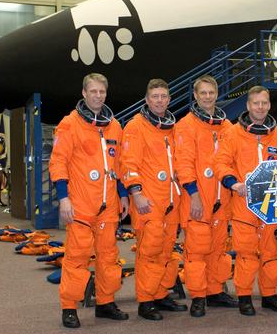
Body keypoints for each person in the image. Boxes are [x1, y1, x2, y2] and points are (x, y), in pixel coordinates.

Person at [49, 73, 130, 329]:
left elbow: (119, 165)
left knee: (108, 257)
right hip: (81, 205)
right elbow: (58, 162)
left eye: (102, 92)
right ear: (84, 93)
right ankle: (69, 307)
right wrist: (63, 198)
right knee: (77, 258)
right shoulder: (69, 124)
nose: (98, 96)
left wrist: (123, 194)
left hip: (108, 206)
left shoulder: (114, 126)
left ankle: (105, 303)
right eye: (93, 91)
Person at [214, 85, 277, 316]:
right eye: (256, 103)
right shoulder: (233, 133)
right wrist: (233, 184)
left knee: (270, 253)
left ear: (269, 105)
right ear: (248, 105)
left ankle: (269, 295)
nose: (260, 107)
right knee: (246, 253)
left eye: (264, 103)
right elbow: (221, 163)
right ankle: (244, 296)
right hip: (243, 204)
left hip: (271, 205)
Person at [120, 78, 186, 321]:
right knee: (149, 252)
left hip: (171, 201)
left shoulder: (172, 127)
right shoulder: (136, 126)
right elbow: (128, 163)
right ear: (147, 100)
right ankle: (146, 301)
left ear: (169, 100)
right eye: (155, 97)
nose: (159, 101)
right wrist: (136, 194)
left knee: (166, 251)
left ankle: (160, 294)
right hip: (148, 201)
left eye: (163, 97)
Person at [175, 75, 238, 317]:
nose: (208, 97)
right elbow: (184, 164)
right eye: (203, 93)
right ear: (195, 95)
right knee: (197, 252)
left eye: (211, 92)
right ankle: (198, 296)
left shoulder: (227, 127)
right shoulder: (186, 125)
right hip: (198, 199)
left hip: (222, 201)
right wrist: (194, 195)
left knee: (218, 250)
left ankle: (214, 291)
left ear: (217, 94)